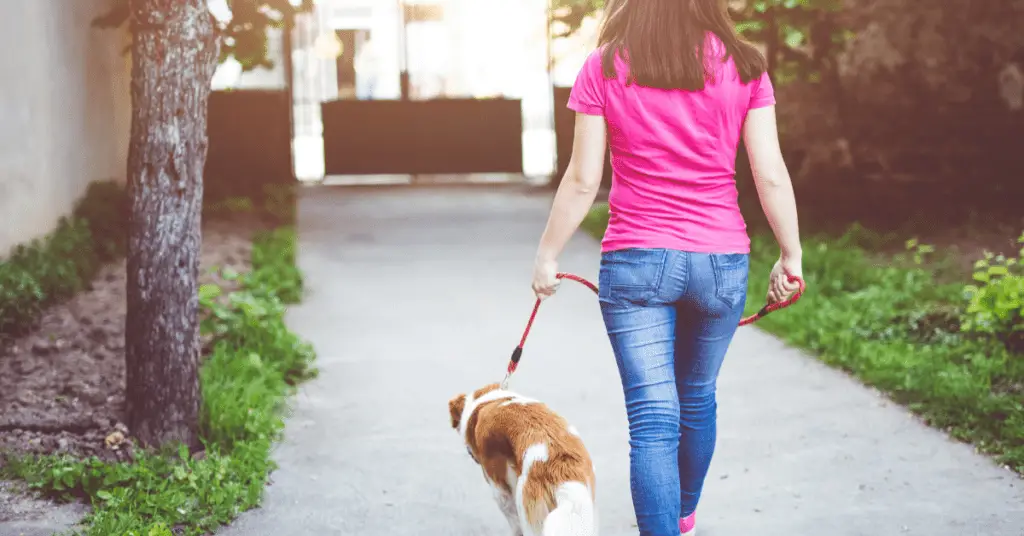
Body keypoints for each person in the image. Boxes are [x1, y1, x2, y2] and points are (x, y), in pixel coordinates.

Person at [530, 0, 803, 534]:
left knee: (653, 420)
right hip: (721, 261)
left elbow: (584, 178)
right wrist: (790, 254)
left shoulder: (605, 66)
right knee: (697, 396)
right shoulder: (745, 65)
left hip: (637, 262)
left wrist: (548, 254)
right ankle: (683, 517)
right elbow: (768, 173)